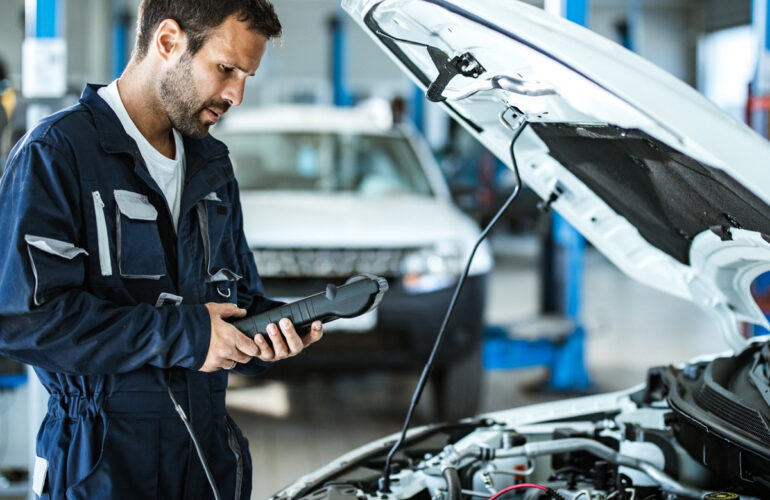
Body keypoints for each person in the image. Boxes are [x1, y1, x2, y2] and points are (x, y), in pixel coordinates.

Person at [0, 1, 323, 498]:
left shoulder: (211, 164)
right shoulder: (58, 154)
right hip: (101, 459)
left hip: (206, 454)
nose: (236, 94)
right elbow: (24, 321)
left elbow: (234, 302)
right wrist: (189, 335)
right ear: (168, 41)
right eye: (226, 69)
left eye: (246, 77)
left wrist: (270, 331)